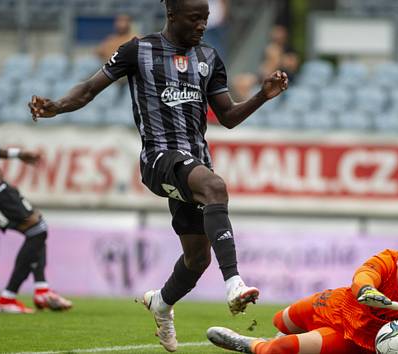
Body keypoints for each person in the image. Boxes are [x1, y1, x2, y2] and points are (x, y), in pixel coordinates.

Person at [28, 0, 288, 351]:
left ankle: (162, 304)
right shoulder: (139, 50)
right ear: (172, 15)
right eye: (195, 19)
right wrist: (57, 106)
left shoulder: (209, 57)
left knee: (197, 259)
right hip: (158, 158)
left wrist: (262, 96)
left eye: (206, 19)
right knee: (215, 187)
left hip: (194, 162)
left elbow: (227, 116)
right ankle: (234, 284)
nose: (201, 25)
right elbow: (90, 89)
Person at [0, 48, 72, 314]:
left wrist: (16, 154)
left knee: (36, 227)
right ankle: (9, 298)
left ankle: (41, 290)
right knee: (37, 229)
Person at [207, 232, 398, 354]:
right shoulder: (388, 260)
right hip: (335, 304)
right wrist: (367, 290)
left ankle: (249, 344)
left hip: (353, 337)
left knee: (280, 348)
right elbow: (363, 277)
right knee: (280, 320)